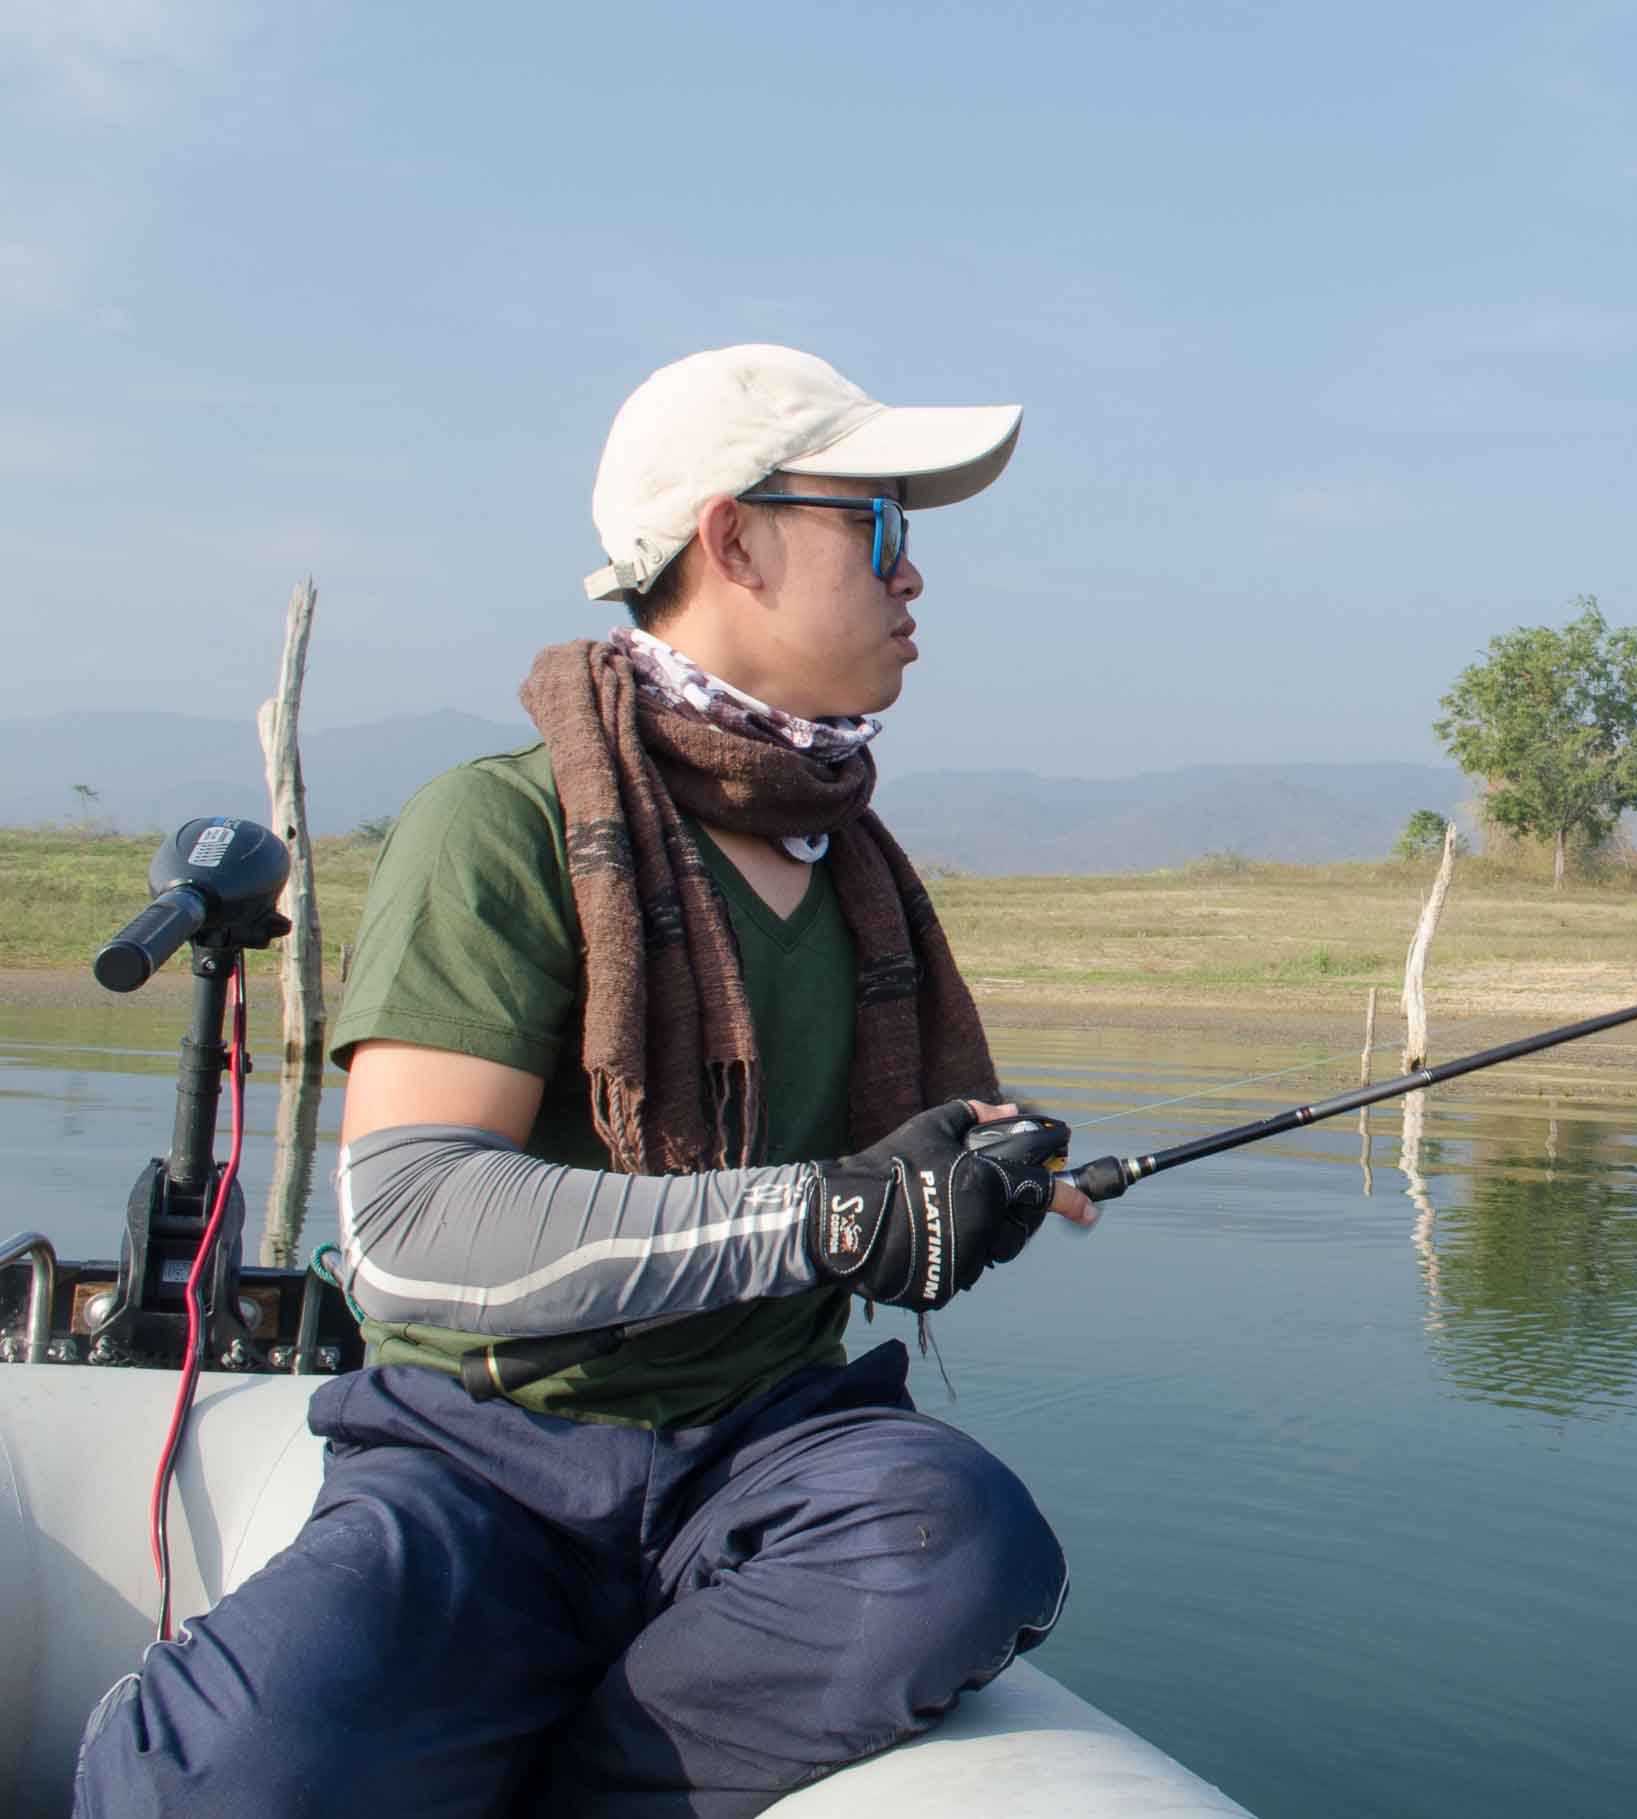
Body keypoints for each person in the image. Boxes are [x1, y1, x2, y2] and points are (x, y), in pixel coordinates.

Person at [73, 345, 1095, 1818]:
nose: (914, 575)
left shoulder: (855, 864)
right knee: (233, 1776)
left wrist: (966, 1182)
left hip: (765, 1439)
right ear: (730, 540)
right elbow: (410, 1226)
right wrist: (833, 1217)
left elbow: (876, 1180)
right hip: (480, 1453)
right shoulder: (498, 824)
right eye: (879, 526)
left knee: (968, 1544)